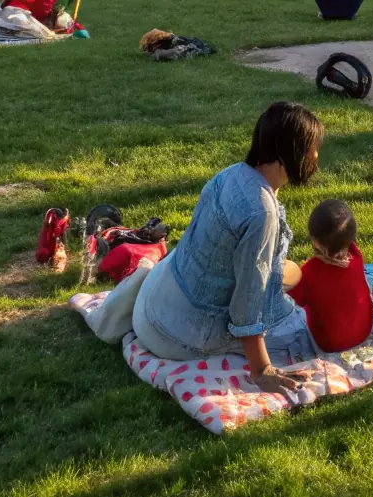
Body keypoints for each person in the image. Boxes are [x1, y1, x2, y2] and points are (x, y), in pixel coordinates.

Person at [131, 102, 324, 393]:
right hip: (173, 332)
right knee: (303, 335)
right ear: (290, 152)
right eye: (312, 148)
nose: (316, 156)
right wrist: (262, 370)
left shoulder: (232, 174)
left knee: (286, 284)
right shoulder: (261, 213)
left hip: (151, 302)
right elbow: (247, 307)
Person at [286, 199, 373, 353]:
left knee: (294, 313)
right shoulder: (355, 254)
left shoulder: (309, 271)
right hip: (363, 332)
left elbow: (292, 298)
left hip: (329, 343)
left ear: (316, 241)